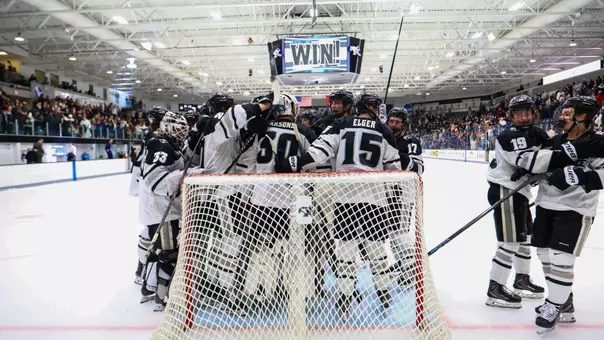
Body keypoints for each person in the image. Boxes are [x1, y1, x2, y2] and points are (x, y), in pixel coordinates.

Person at [276, 92, 401, 315]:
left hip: (345, 195)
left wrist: (291, 163)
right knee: (376, 248)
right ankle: (384, 294)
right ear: (372, 108)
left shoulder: (341, 123)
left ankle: (344, 297)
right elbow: (394, 169)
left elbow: (319, 154)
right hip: (375, 197)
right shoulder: (384, 130)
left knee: (345, 248)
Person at [513, 96, 604, 333]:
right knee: (545, 257)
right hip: (546, 205)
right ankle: (564, 300)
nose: (560, 117)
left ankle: (554, 305)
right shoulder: (555, 141)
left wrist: (575, 176)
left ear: (582, 117)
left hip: (576, 210)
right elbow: (537, 162)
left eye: (566, 113)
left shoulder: (598, 143)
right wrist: (531, 172)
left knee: (562, 259)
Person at [238, 93, 317, 303]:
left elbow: (248, 165)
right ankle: (300, 292)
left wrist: (247, 196)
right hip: (295, 199)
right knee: (298, 247)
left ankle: (258, 291)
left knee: (262, 249)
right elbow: (316, 164)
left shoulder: (261, 131)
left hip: (261, 198)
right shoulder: (304, 131)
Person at [484, 95, 549, 309]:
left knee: (524, 239)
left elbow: (551, 150)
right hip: (506, 190)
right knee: (509, 241)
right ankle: (495, 288)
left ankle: (521, 280)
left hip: (520, 192)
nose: (523, 117)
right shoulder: (510, 135)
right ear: (512, 116)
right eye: (519, 113)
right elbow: (528, 161)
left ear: (533, 113)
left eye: (527, 112)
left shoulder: (536, 132)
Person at [138, 111, 189, 311]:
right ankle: (161, 298)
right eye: (177, 129)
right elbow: (155, 182)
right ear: (167, 128)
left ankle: (148, 287)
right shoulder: (162, 146)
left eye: (182, 130)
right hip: (163, 213)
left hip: (160, 211)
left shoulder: (164, 145)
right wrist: (185, 174)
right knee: (168, 254)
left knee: (158, 250)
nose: (181, 133)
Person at [385, 107, 424, 289]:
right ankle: (403, 262)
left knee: (399, 232)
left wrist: (398, 155)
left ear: (404, 124)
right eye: (391, 121)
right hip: (385, 192)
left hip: (402, 193)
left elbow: (419, 168)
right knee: (392, 233)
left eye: (397, 122)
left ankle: (410, 269)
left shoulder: (411, 142)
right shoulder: (384, 138)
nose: (393, 125)